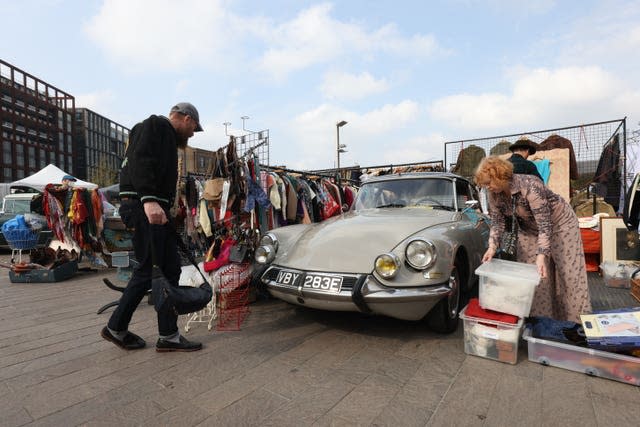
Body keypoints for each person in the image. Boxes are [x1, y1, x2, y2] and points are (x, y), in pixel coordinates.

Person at [101, 102, 204, 352]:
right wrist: (148, 200)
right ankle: (119, 327)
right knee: (150, 269)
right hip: (144, 207)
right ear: (186, 118)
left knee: (168, 268)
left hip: (150, 208)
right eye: (193, 128)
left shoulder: (162, 134)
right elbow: (141, 160)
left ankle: (167, 335)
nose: (192, 134)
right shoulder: (156, 125)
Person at [474, 156, 591, 323]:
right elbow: (497, 221)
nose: (487, 187)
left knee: (568, 272)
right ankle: (540, 322)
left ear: (500, 176)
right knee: (533, 274)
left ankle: (578, 324)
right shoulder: (494, 194)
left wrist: (542, 255)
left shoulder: (530, 185)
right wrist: (492, 247)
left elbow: (545, 224)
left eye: (489, 182)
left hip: (560, 224)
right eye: (484, 184)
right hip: (529, 228)